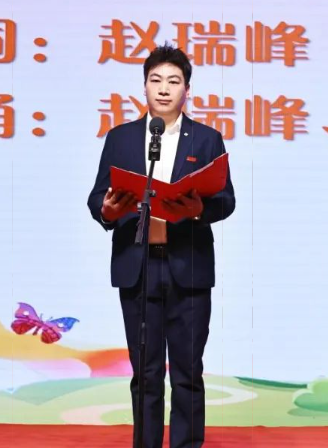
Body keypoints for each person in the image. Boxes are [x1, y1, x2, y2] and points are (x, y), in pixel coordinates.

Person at [87, 43, 235, 448]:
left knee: (187, 372)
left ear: (187, 89)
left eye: (174, 81)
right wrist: (107, 210)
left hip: (187, 266)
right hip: (139, 267)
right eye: (156, 80)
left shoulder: (206, 139)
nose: (164, 89)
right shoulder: (121, 138)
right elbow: (98, 197)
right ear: (144, 87)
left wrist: (199, 209)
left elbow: (226, 200)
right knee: (146, 373)